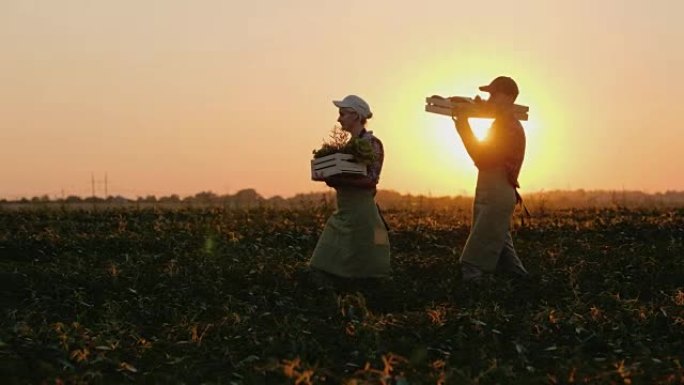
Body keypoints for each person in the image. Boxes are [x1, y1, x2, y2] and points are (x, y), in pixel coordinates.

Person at [451, 76, 529, 282]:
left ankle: (475, 290)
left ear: (508, 97)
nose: (490, 98)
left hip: (497, 191)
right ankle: (521, 281)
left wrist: (464, 128)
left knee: (476, 255)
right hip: (491, 189)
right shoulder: (502, 124)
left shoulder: (508, 127)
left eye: (494, 94)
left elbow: (483, 158)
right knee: (498, 241)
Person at [309, 94, 391, 278]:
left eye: (343, 114)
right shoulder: (347, 147)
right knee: (324, 261)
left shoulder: (372, 144)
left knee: (367, 263)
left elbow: (371, 180)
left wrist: (337, 181)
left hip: (362, 213)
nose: (339, 118)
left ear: (355, 116)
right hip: (344, 211)